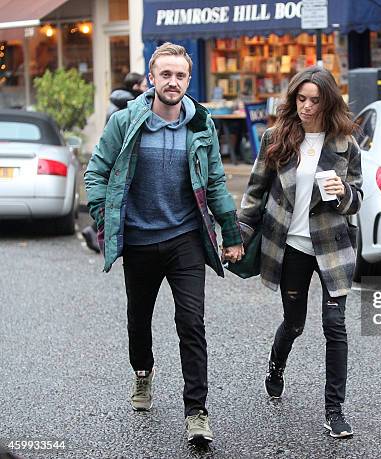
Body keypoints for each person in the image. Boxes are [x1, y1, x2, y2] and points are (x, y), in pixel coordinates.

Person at [84, 42, 244, 446]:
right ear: (152, 78)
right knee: (139, 319)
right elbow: (96, 173)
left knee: (191, 322)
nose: (173, 82)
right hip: (139, 239)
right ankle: (143, 372)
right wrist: (107, 223)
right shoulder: (125, 122)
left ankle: (197, 412)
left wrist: (230, 232)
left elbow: (216, 183)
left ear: (188, 80)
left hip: (185, 238)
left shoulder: (200, 125)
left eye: (180, 75)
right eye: (165, 74)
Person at [238, 67, 362, 438]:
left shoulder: (346, 145)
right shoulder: (277, 138)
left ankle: (334, 410)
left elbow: (357, 201)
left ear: (329, 101)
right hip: (290, 246)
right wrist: (240, 232)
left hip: (333, 248)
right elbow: (255, 192)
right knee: (294, 323)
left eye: (315, 100)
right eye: (301, 99)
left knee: (335, 327)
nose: (307, 107)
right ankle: (276, 366)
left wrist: (342, 192)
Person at [82, 72, 148, 253]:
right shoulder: (127, 106)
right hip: (118, 157)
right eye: (144, 86)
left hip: (115, 154)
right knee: (118, 197)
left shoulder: (117, 100)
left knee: (117, 196)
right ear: (135, 87)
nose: (147, 89)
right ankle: (97, 230)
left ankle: (95, 230)